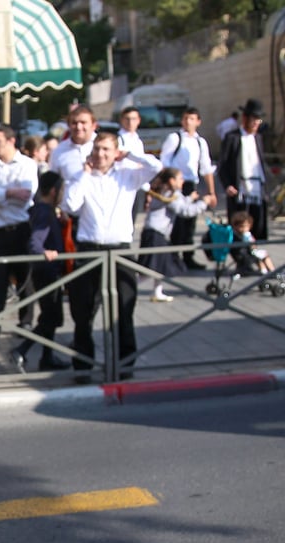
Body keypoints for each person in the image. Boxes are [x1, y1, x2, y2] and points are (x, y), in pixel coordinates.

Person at [63, 131, 161, 382]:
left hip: (120, 250)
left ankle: (124, 363)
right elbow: (70, 206)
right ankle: (83, 364)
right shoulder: (81, 176)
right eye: (97, 149)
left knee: (123, 309)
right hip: (90, 250)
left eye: (106, 149)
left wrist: (129, 154)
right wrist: (85, 174)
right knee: (84, 311)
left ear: (115, 152)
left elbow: (156, 166)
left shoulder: (128, 175)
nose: (100, 154)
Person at [0, 125, 39, 343]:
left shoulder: (27, 164)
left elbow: (26, 193)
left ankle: (26, 322)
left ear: (11, 141)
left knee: (25, 277)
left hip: (20, 228)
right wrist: (9, 192)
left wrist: (0, 194)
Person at [11, 171, 70, 371]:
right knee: (50, 317)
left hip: (46, 271)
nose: (63, 194)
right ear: (53, 191)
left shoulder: (42, 210)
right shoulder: (44, 212)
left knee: (50, 317)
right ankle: (22, 350)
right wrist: (46, 252)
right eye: (61, 190)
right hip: (47, 272)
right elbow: (35, 243)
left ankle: (47, 357)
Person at [139, 167, 214, 302]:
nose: (183, 181)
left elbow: (180, 203)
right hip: (154, 234)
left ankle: (157, 292)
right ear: (172, 180)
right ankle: (130, 287)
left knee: (160, 265)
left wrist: (190, 198)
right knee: (149, 268)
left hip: (158, 233)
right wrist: (203, 203)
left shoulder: (171, 193)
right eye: (180, 178)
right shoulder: (167, 194)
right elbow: (184, 211)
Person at [160, 108, 216, 269]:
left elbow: (206, 167)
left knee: (190, 222)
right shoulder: (175, 138)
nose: (188, 122)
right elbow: (165, 162)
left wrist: (211, 192)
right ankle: (174, 256)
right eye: (185, 118)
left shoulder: (200, 142)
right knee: (177, 222)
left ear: (198, 121)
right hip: (176, 184)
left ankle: (188, 256)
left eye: (192, 119)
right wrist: (170, 182)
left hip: (191, 183)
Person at [218, 98, 269, 241]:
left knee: (257, 225)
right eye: (254, 120)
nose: (256, 124)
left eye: (258, 121)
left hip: (257, 189)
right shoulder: (232, 137)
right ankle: (242, 258)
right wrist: (228, 185)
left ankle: (255, 254)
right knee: (240, 226)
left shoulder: (258, 138)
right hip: (240, 189)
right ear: (245, 118)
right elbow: (222, 165)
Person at [230, 210, 276, 275]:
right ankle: (271, 270)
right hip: (247, 252)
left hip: (246, 252)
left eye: (246, 226)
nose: (244, 228)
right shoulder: (245, 235)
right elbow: (251, 244)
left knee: (261, 255)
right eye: (242, 226)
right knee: (263, 256)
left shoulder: (236, 234)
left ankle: (266, 269)